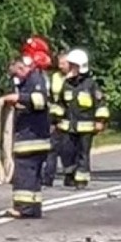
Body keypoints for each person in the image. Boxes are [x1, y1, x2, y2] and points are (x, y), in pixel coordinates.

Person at [1, 55, 50, 219]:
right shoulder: (31, 80)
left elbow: (41, 100)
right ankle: (34, 207)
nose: (15, 78)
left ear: (22, 68)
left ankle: (23, 208)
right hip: (37, 138)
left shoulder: (35, 79)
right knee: (33, 178)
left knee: (24, 175)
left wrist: (18, 98)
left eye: (16, 73)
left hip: (31, 139)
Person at [58, 48, 109, 188]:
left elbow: (100, 104)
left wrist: (100, 121)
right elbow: (60, 104)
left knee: (82, 153)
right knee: (66, 151)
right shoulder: (67, 84)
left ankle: (81, 178)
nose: (70, 68)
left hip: (86, 127)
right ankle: (70, 174)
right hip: (68, 126)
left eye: (72, 65)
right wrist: (55, 120)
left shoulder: (90, 84)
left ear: (80, 66)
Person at [43, 51, 72, 187]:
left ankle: (70, 176)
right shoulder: (54, 77)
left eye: (63, 64)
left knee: (68, 150)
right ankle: (48, 177)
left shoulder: (75, 79)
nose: (60, 66)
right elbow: (49, 97)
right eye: (59, 63)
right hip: (55, 117)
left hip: (71, 119)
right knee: (52, 149)